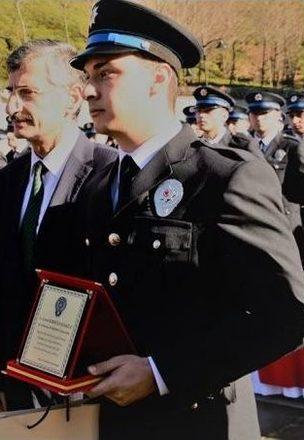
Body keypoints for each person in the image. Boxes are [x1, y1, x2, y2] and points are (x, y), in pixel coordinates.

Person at [70, 1, 304, 438]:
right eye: (89, 76)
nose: (88, 90)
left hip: (197, 418)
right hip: (113, 418)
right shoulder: (103, 181)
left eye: (106, 73)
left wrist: (162, 372)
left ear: (159, 78)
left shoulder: (222, 176)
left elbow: (285, 314)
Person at [0, 39, 117, 412]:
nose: (12, 107)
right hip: (18, 379)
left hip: (86, 388)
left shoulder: (111, 173)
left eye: (27, 93)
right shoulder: (8, 181)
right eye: (10, 92)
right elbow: (6, 282)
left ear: (73, 98)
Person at [246, 91, 304, 262]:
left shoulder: (292, 148)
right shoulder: (241, 146)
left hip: (285, 224)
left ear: (278, 116)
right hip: (252, 223)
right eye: (254, 113)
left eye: (264, 113)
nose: (259, 118)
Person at [193, 85, 261, 156]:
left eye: (208, 110)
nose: (201, 115)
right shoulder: (192, 146)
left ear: (224, 116)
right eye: (198, 110)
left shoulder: (243, 146)